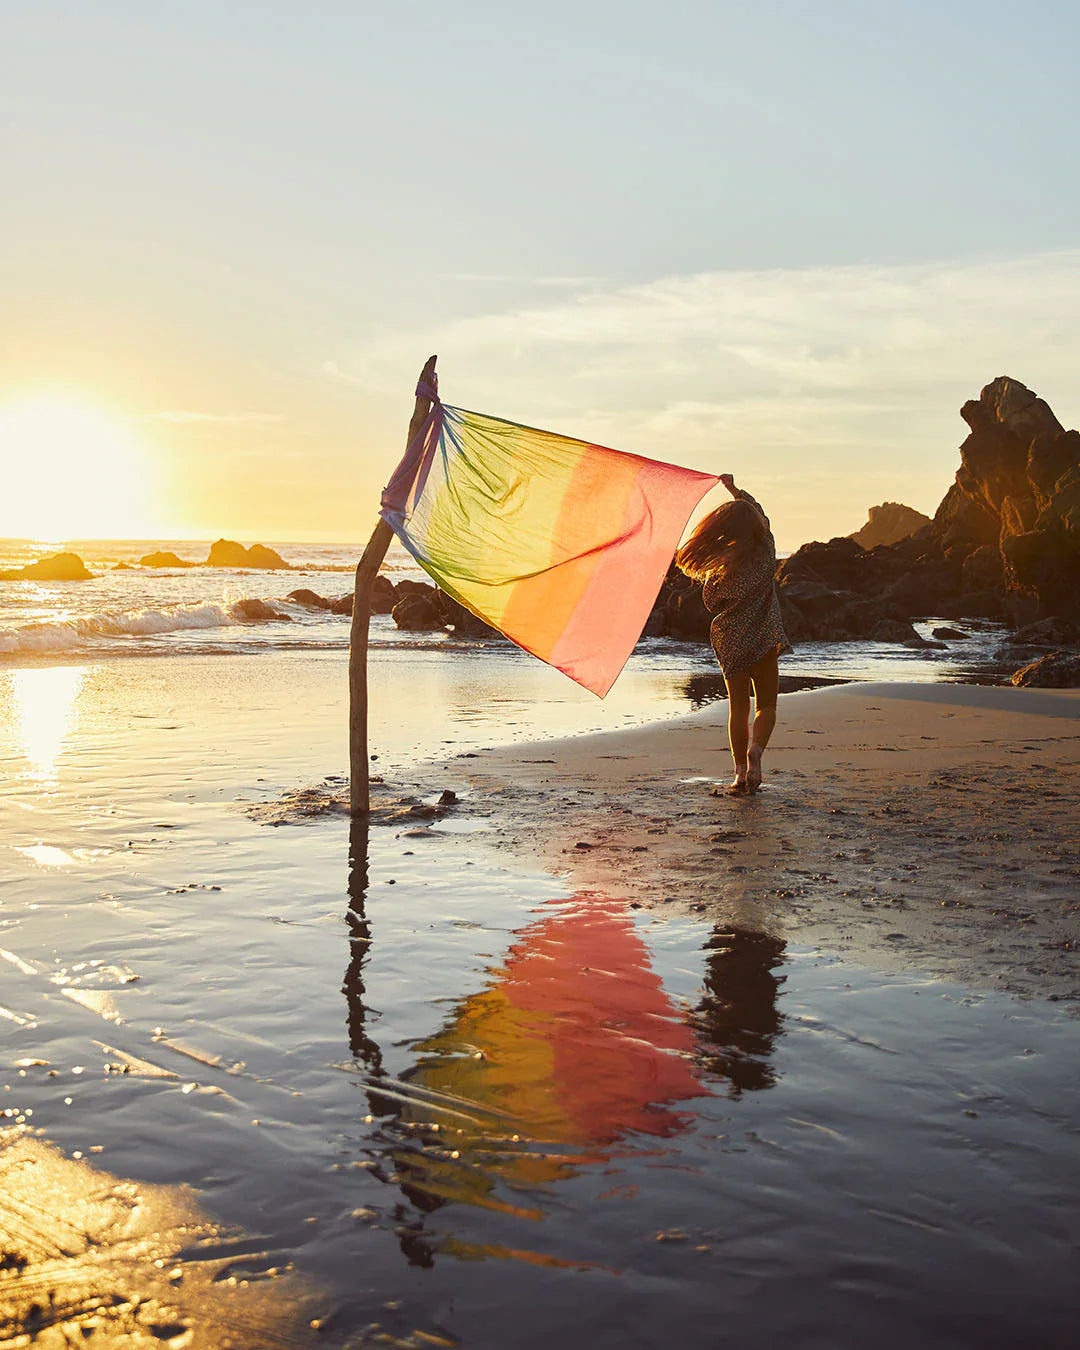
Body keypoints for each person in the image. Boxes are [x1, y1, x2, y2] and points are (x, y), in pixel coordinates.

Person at [676, 474, 790, 794]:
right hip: (764, 638)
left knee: (737, 708)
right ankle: (756, 754)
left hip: (730, 640)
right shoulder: (767, 550)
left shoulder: (723, 566)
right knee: (766, 705)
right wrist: (735, 489)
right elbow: (760, 514)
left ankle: (740, 772)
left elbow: (712, 602)